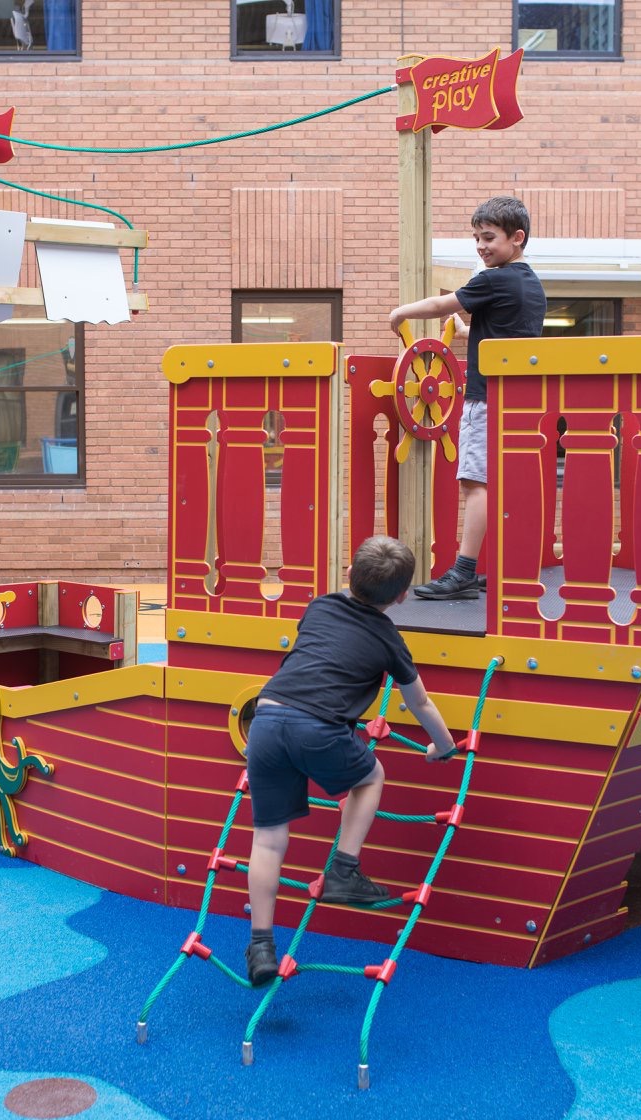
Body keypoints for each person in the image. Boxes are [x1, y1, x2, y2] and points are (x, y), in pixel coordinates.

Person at [242, 535, 459, 987]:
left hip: (266, 718)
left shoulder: (319, 606)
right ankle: (344, 868)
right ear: (402, 597)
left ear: (347, 575)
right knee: (371, 776)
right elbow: (419, 703)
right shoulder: (389, 638)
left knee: (267, 839)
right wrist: (444, 744)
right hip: (317, 727)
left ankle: (260, 945)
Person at [388, 195, 548, 599]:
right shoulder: (530, 284)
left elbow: (442, 302)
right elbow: (508, 333)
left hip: (485, 400)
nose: (480, 246)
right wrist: (464, 334)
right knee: (500, 486)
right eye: (476, 237)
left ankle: (461, 571)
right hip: (518, 403)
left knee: (476, 484)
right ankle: (504, 566)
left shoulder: (492, 280)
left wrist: (401, 312)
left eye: (489, 237)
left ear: (517, 238)